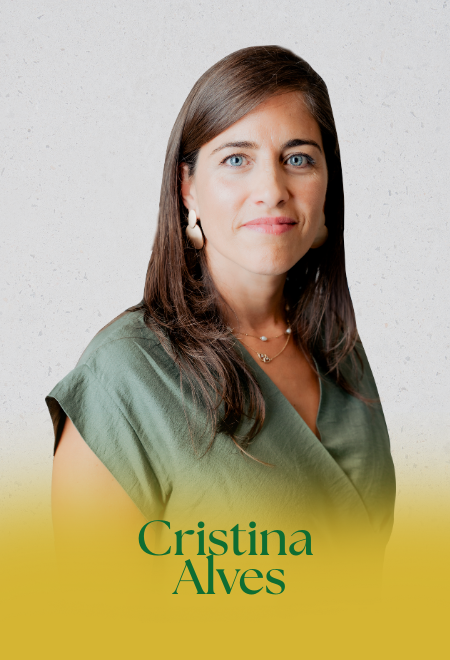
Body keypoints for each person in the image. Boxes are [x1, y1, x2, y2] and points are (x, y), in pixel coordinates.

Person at [47, 46, 395, 565]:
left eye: (298, 159)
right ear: (187, 188)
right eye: (237, 159)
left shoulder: (340, 351)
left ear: (328, 186)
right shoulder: (123, 377)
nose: (271, 190)